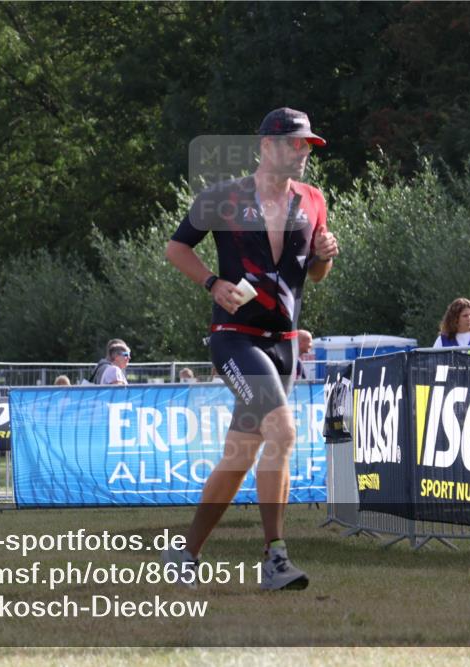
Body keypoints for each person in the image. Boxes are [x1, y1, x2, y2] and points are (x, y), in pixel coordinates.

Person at [163, 107, 338, 591]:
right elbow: (176, 248)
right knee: (282, 429)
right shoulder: (223, 197)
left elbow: (313, 276)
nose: (303, 153)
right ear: (266, 146)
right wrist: (212, 282)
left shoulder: (314, 200)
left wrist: (323, 259)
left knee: (239, 454)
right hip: (235, 337)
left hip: (284, 343)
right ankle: (275, 558)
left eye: (308, 145)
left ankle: (184, 553)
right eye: (294, 143)